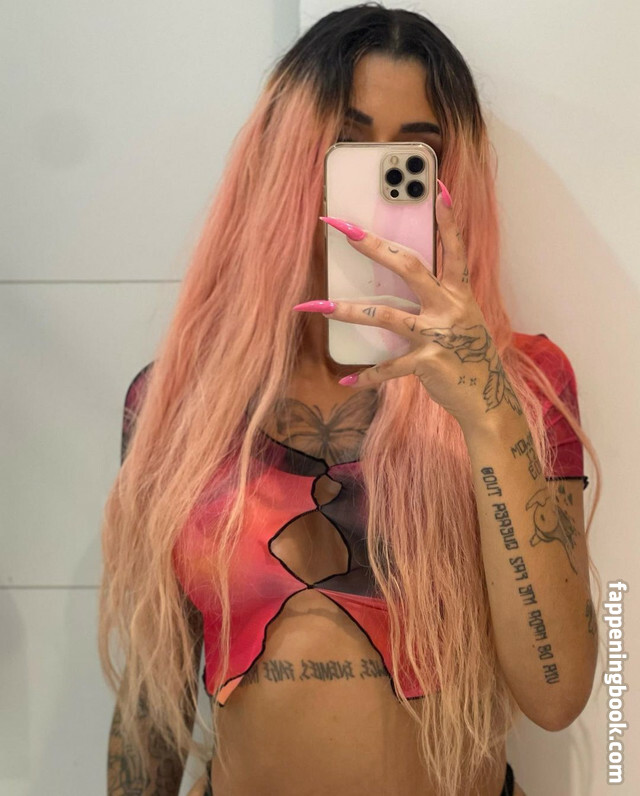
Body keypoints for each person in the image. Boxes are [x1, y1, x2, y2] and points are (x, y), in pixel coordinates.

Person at [99, 5, 602, 795]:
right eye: (344, 144)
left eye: (412, 156)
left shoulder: (523, 384)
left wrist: (486, 410)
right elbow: (150, 700)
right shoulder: (178, 404)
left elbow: (557, 692)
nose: (374, 186)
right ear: (284, 159)